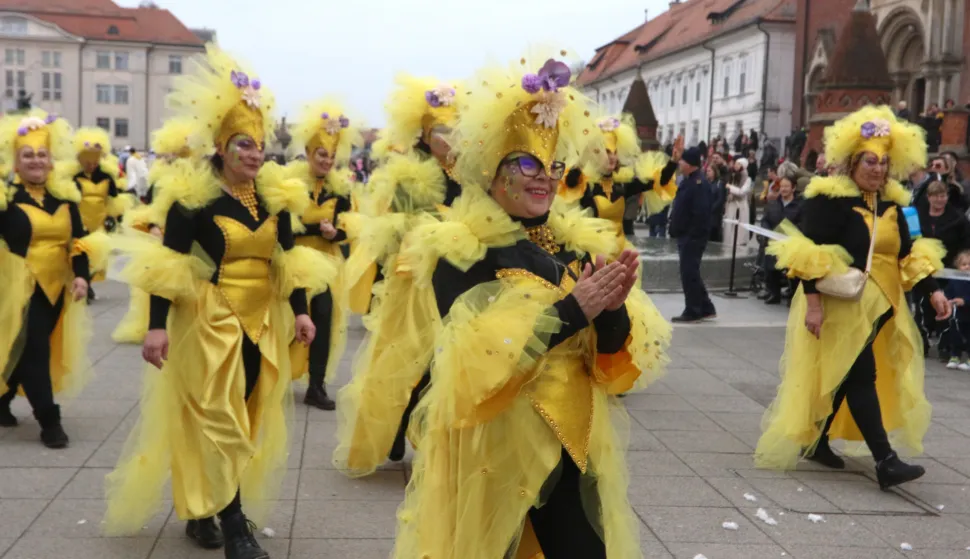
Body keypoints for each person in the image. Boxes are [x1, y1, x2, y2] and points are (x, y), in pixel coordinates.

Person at [390, 52, 671, 559]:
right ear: (494, 173)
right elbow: (476, 358)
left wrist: (610, 305)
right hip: (499, 443)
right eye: (527, 164)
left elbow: (607, 358)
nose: (544, 177)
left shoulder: (573, 246)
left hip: (572, 432)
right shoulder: (464, 248)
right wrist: (573, 310)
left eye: (552, 166)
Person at [104, 45, 338, 559]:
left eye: (259, 145)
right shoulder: (194, 200)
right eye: (242, 144)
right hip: (210, 321)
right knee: (217, 416)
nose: (254, 154)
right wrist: (156, 326)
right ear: (221, 147)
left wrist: (300, 310)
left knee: (248, 414)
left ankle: (204, 507)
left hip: (265, 324)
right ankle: (235, 528)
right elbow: (168, 266)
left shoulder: (277, 199)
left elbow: (288, 259)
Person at [756, 105, 950, 490]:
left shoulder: (895, 204)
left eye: (883, 162)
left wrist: (933, 291)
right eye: (869, 161)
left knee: (845, 373)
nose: (877, 169)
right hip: (841, 304)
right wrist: (812, 304)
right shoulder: (830, 200)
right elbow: (811, 253)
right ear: (851, 161)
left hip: (884, 305)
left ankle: (817, 439)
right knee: (862, 375)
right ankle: (886, 461)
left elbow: (907, 253)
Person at [333, 90, 455, 476]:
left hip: (458, 273)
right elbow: (394, 229)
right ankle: (394, 426)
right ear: (425, 133)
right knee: (406, 357)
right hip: (416, 278)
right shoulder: (410, 173)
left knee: (445, 360)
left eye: (455, 130)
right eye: (441, 131)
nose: (450, 138)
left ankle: (429, 433)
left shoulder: (468, 172)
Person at [0, 110, 108, 448]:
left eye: (41, 155)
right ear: (16, 162)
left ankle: (1, 402)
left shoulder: (65, 200)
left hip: (54, 290)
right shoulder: (6, 200)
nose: (36, 161)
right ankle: (49, 420)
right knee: (33, 351)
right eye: (28, 155)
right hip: (15, 290)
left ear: (51, 161)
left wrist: (81, 278)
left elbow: (77, 242)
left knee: (27, 348)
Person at [286, 99, 362, 411]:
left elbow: (350, 228)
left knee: (324, 317)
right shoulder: (290, 185)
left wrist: (335, 234)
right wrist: (317, 229)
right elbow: (280, 226)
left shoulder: (340, 190)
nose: (327, 161)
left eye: (331, 156)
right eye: (321, 154)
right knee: (284, 322)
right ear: (308, 153)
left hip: (326, 265)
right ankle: (269, 375)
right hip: (292, 263)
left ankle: (316, 385)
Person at [111, 118, 197, 345]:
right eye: (177, 155)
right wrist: (154, 227)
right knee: (164, 284)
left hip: (191, 240)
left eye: (184, 155)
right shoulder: (160, 179)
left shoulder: (201, 179)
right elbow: (151, 205)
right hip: (165, 236)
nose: (180, 161)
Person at [70, 127, 125, 302]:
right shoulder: (75, 177)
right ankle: (82, 283)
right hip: (81, 220)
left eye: (94, 161)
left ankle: (89, 282)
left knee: (99, 256)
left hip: (100, 220)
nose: (91, 165)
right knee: (81, 254)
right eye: (88, 161)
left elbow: (114, 200)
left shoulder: (107, 177)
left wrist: (114, 218)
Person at [669, 146, 716, 323]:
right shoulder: (689, 180)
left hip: (692, 237)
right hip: (686, 235)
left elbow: (701, 213)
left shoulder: (699, 184)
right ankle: (705, 307)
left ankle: (693, 310)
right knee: (691, 272)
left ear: (690, 163)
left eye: (682, 160)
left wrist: (692, 235)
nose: (679, 163)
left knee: (689, 273)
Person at [760, 177, 801, 304]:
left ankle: (793, 294)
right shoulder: (773, 204)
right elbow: (765, 220)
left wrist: (788, 232)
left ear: (793, 188)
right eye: (781, 186)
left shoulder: (800, 205)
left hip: (791, 242)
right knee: (770, 263)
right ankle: (774, 293)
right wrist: (768, 232)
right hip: (774, 241)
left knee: (793, 269)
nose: (783, 189)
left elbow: (802, 223)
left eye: (786, 186)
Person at [942, 250, 970, 370]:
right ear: (958, 267)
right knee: (955, 334)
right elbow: (948, 292)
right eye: (964, 264)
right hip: (957, 314)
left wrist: (965, 301)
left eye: (969, 264)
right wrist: (947, 300)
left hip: (968, 313)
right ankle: (955, 355)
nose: (967, 267)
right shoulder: (955, 280)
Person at [723, 157, 753, 249]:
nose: (735, 165)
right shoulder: (733, 176)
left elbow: (742, 192)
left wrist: (730, 187)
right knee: (729, 227)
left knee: (739, 229)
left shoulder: (747, 179)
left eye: (738, 164)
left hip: (740, 206)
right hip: (731, 204)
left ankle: (739, 245)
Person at [707, 163, 726, 243]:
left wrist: (711, 208)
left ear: (714, 172)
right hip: (706, 215)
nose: (707, 172)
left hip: (714, 216)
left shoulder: (719, 183)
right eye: (707, 171)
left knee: (713, 236)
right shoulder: (706, 183)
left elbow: (720, 199)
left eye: (709, 171)